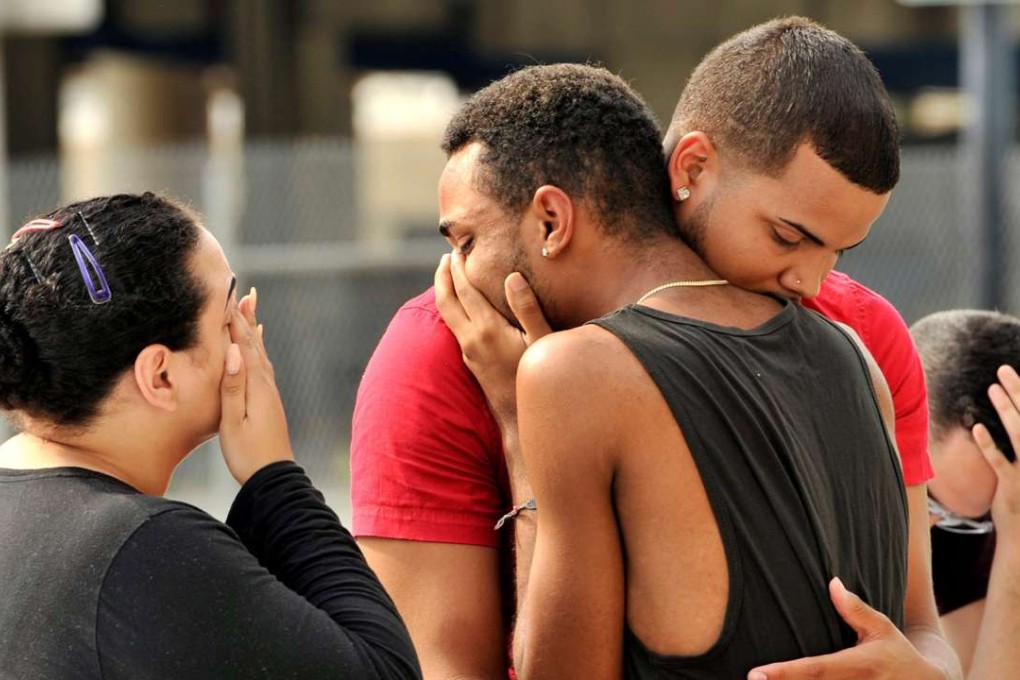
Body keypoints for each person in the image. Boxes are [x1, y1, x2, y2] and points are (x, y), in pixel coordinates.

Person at [351, 18, 957, 680]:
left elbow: (918, 626)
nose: (810, 282)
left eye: (837, 250)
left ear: (555, 220)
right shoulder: (849, 351)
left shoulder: (856, 330)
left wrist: (930, 673)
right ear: (691, 166)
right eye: (788, 236)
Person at [0, 193, 421, 679]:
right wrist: (277, 480)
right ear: (160, 375)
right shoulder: (145, 546)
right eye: (227, 319)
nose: (248, 331)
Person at [911, 310, 1020, 678]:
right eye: (925, 495)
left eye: (964, 522)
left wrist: (1015, 539)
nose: (927, 524)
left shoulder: (992, 523)